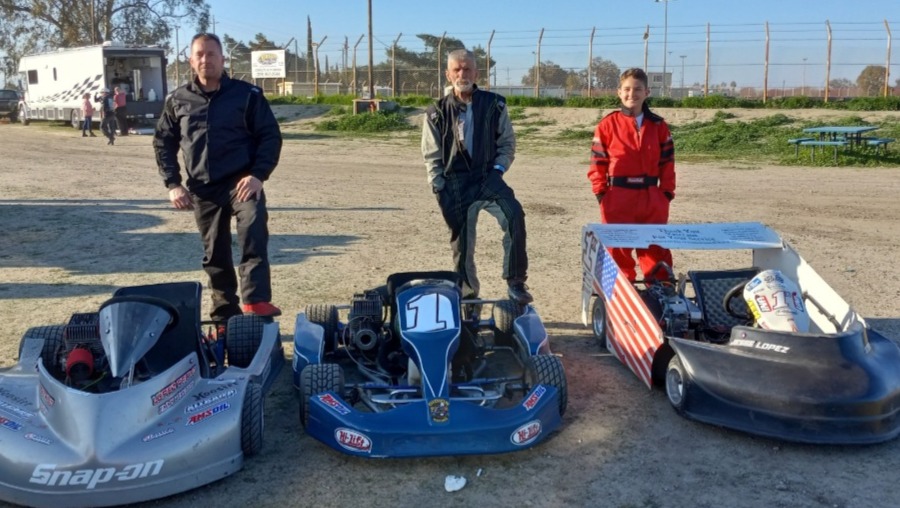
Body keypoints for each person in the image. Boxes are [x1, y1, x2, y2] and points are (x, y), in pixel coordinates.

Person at [153, 32, 283, 326]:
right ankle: (224, 315)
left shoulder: (248, 95)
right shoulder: (177, 100)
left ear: (223, 59)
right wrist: (173, 184)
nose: (205, 60)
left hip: (242, 183)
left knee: (253, 229)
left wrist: (258, 175)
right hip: (203, 189)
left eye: (211, 54)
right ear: (191, 61)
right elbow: (163, 142)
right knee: (215, 252)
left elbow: (270, 136)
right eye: (199, 54)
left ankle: (255, 300)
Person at [422, 48, 532, 304]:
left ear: (476, 73)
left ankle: (516, 282)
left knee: (514, 215)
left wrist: (498, 170)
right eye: (457, 69)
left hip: (487, 178)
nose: (462, 74)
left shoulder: (495, 105)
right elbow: (431, 154)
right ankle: (469, 298)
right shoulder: (436, 111)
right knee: (462, 245)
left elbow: (507, 144)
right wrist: (438, 185)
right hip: (455, 183)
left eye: (467, 69)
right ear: (448, 74)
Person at [587, 67, 676, 283]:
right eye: (627, 89)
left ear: (647, 92)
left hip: (652, 197)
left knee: (655, 249)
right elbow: (598, 163)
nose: (631, 94)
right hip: (618, 196)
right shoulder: (607, 125)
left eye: (637, 89)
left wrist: (666, 194)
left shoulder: (659, 126)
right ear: (619, 92)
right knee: (618, 250)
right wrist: (601, 194)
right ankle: (621, 294)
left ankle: (660, 294)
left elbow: (667, 163)